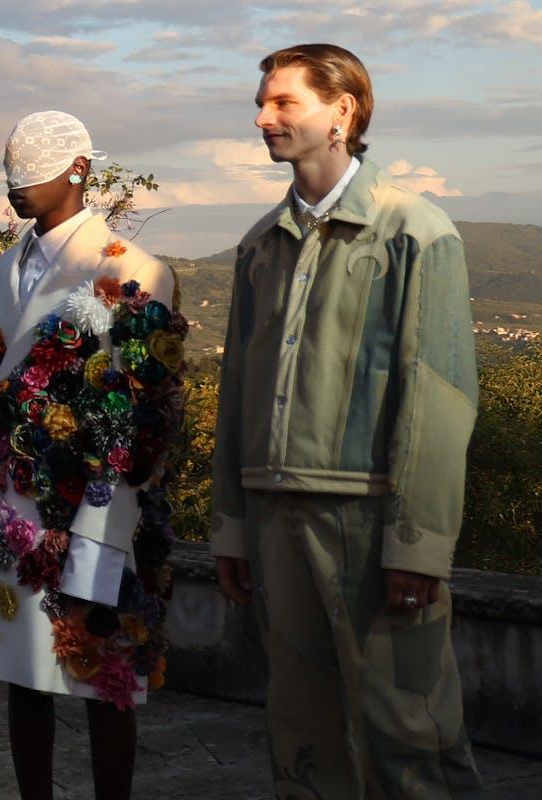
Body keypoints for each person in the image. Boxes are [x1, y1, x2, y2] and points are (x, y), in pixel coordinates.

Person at [211, 44, 483, 800]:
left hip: (371, 523)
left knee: (412, 738)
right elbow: (236, 391)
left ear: (343, 112)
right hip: (273, 517)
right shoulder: (259, 246)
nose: (264, 117)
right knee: (300, 743)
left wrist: (419, 545)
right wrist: (231, 524)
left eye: (283, 102)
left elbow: (439, 397)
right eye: (262, 103)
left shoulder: (413, 232)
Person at [0, 111, 180, 800]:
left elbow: (138, 412)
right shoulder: (7, 267)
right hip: (10, 497)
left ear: (77, 171)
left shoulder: (129, 268)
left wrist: (109, 529)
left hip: (89, 503)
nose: (16, 186)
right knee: (23, 672)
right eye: (11, 171)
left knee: (103, 673)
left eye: (32, 170)